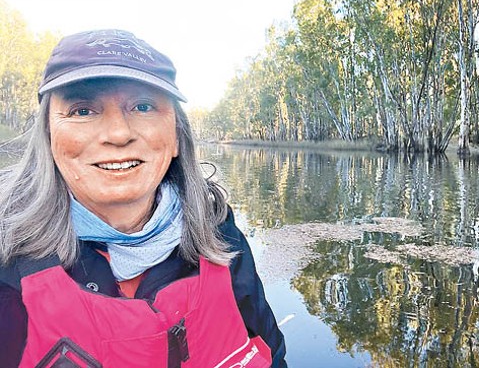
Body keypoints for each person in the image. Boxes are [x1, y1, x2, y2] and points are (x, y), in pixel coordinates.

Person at [0, 29, 287, 367]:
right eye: (82, 111)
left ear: (177, 137)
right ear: (49, 137)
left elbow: (271, 351)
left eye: (143, 106)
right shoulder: (9, 263)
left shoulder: (220, 234)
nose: (119, 133)